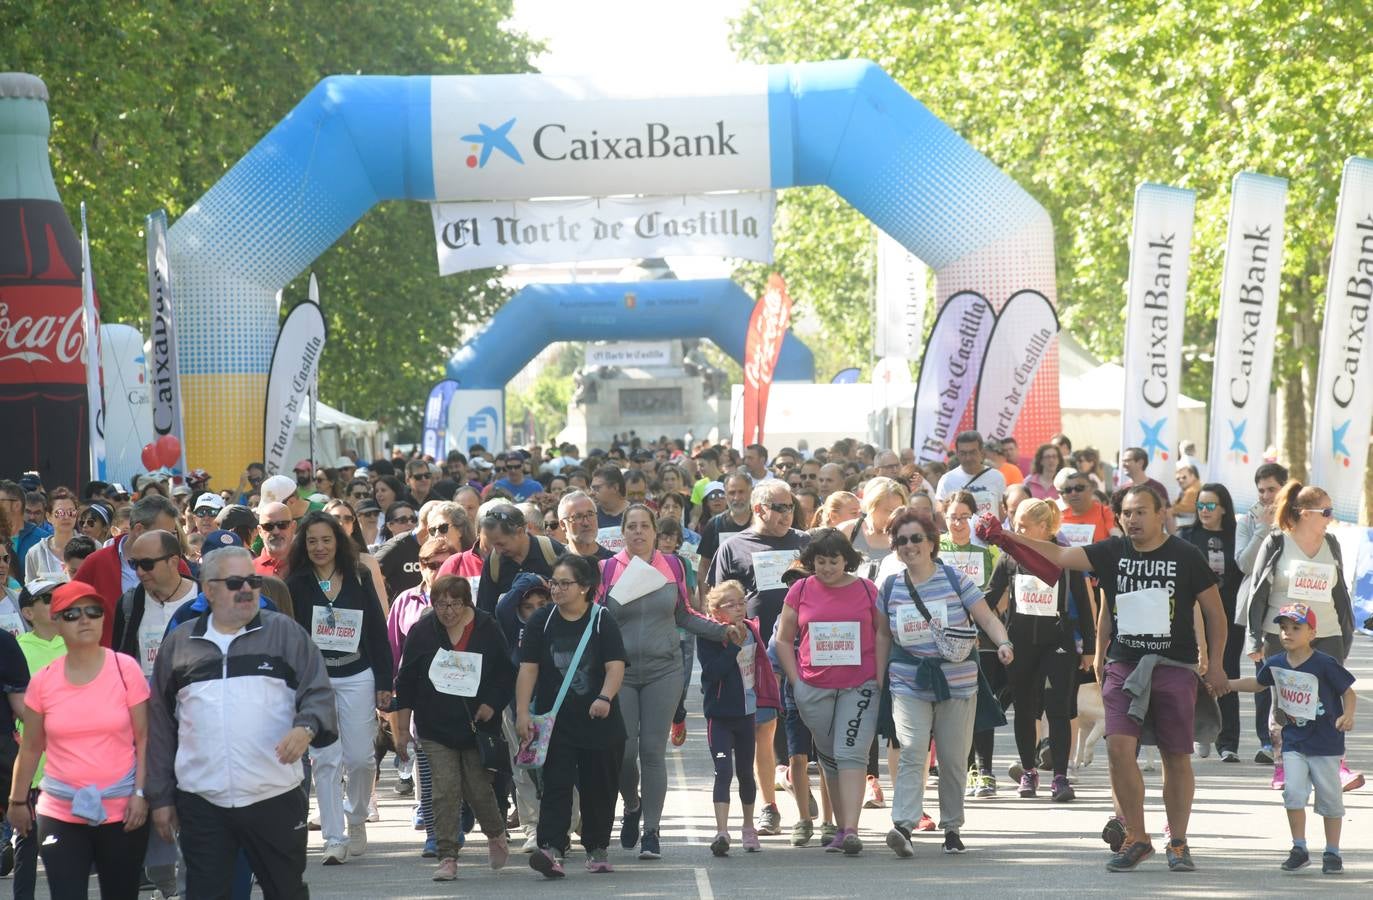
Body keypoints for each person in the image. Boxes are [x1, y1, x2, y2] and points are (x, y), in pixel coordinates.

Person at [995, 485, 1230, 872]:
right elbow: (1056, 555)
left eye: (1141, 512)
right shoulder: (1110, 552)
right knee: (1118, 748)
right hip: (1124, 664)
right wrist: (1005, 536)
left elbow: (1215, 614)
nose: (1133, 520)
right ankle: (1137, 837)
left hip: (1174, 665)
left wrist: (1216, 664)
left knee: (1176, 756)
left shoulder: (1185, 555)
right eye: (1126, 513)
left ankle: (1179, 841)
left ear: (1160, 514)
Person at [147, 545, 338, 900]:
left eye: (252, 580)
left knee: (286, 892)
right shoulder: (180, 644)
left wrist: (306, 726)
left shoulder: (285, 633)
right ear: (208, 590)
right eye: (235, 582)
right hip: (202, 801)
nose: (247, 589)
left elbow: (319, 692)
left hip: (274, 797)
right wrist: (160, 797)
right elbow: (158, 725)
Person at [598, 504, 736, 860]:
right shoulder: (607, 569)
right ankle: (631, 805)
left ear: (655, 532)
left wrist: (722, 631)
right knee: (625, 752)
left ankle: (651, 832)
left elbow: (684, 615)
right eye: (632, 526)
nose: (638, 532)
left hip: (664, 670)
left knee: (652, 753)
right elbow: (595, 622)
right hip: (621, 674)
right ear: (623, 532)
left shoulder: (674, 565)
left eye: (645, 526)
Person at [880, 508, 1013, 858]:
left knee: (954, 759)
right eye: (901, 540)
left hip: (958, 682)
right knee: (911, 750)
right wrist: (876, 677)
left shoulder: (955, 580)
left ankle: (952, 827)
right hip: (908, 681)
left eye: (916, 539)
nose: (909, 546)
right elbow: (882, 637)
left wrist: (1003, 642)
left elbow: (986, 616)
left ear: (931, 542)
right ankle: (903, 825)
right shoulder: (891, 586)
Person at [7, 581, 149, 900]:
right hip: (60, 810)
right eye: (71, 614)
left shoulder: (126, 669)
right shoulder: (43, 681)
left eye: (93, 611)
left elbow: (144, 739)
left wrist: (141, 793)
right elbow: (30, 748)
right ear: (56, 622)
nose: (84, 619)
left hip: (124, 809)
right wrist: (17, 802)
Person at [775, 528, 891, 855]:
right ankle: (841, 827)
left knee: (850, 753)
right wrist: (797, 682)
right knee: (829, 757)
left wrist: (880, 678)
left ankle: (851, 830)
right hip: (814, 688)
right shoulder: (799, 590)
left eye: (834, 561)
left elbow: (883, 634)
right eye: (821, 561)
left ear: (847, 560)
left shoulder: (868, 590)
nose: (827, 568)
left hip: (861, 686)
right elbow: (783, 640)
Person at [285, 512, 392, 865]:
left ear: (338, 542)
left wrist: (384, 682)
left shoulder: (358, 576)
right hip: (316, 680)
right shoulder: (295, 582)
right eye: (312, 540)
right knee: (325, 760)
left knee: (360, 759)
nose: (319, 547)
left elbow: (377, 630)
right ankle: (334, 837)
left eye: (326, 540)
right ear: (304, 544)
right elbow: (291, 637)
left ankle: (356, 815)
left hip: (358, 675)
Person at [706, 481, 811, 837]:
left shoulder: (805, 542)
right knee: (762, 731)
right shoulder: (734, 547)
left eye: (790, 507)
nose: (787, 514)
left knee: (806, 730)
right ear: (759, 510)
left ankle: (813, 812)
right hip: (754, 654)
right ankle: (769, 806)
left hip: (804, 650)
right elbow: (717, 601)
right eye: (779, 508)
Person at [393, 575, 514, 881]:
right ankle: (447, 855)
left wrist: (492, 704)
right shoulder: (422, 631)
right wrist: (402, 729)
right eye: (440, 604)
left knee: (477, 787)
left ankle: (495, 832)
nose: (447, 611)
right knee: (445, 790)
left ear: (466, 602)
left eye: (454, 604)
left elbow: (505, 673)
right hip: (434, 726)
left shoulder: (487, 628)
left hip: (477, 725)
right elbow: (405, 682)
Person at [1241, 480, 1358, 792]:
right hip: (1283, 633)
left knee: (1331, 701)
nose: (1331, 517)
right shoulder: (1277, 542)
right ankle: (1282, 765)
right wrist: (1254, 639)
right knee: (1285, 702)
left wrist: (1345, 635)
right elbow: (1258, 591)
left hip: (1327, 632)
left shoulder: (1331, 543)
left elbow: (1339, 591)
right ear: (1306, 514)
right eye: (1326, 511)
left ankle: (1338, 765)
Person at [516, 554, 628, 877]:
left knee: (599, 787)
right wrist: (524, 711)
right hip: (556, 722)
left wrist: (605, 696)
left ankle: (597, 847)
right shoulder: (542, 621)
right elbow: (528, 669)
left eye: (565, 584)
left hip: (599, 720)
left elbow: (615, 665)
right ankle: (551, 849)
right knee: (555, 785)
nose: (557, 589)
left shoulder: (601, 619)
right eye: (554, 583)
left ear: (585, 588)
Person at [1228, 604, 1357, 875]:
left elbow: (1348, 692)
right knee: (1293, 794)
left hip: (1326, 743)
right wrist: (1227, 684)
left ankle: (1332, 851)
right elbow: (1259, 683)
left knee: (1330, 800)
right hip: (1294, 742)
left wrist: (1348, 715)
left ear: (1312, 632)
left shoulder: (1324, 664)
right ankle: (1299, 848)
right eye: (1283, 628)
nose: (1287, 633)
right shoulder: (1275, 663)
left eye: (1296, 628)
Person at [986, 500, 1092, 802]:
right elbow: (991, 595)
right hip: (1020, 641)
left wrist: (1089, 646)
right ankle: (1029, 771)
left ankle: (1060, 776)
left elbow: (1083, 604)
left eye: (1023, 526)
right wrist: (971, 617)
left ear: (1044, 528)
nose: (1017, 530)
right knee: (1025, 708)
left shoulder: (1063, 556)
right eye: (1015, 524)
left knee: (1058, 708)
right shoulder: (1009, 555)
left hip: (1057, 641)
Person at [697, 578, 776, 856]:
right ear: (716, 610)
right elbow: (711, 674)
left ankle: (748, 827)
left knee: (745, 773)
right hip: (719, 716)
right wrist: (732, 647)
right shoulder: (709, 636)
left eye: (742, 602)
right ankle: (721, 831)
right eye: (731, 604)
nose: (739, 608)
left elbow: (760, 665)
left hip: (746, 714)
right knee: (723, 772)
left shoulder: (752, 631)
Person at [930, 491, 1002, 797]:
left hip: (981, 638)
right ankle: (964, 767)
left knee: (983, 702)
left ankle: (985, 770)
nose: (958, 523)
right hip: (944, 639)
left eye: (964, 517)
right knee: (954, 708)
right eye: (952, 517)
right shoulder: (935, 551)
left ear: (974, 517)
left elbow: (1000, 594)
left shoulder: (989, 551)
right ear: (943, 519)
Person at [1179, 483, 1245, 761]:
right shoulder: (1187, 535)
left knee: (1226, 673)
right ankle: (1199, 733)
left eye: (1210, 506)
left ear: (1223, 509)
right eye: (1200, 506)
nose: (1204, 511)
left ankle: (1228, 742)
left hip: (1229, 615)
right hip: (1193, 614)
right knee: (1194, 674)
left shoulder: (1236, 536)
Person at [11, 579, 66, 898]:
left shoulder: (76, 644)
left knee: (66, 852)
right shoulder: (19, 648)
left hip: (72, 766)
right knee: (27, 846)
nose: (56, 603)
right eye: (48, 599)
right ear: (28, 612)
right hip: (34, 765)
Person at [73, 495, 184, 646]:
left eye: (172, 534)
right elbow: (71, 608)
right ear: (139, 529)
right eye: (163, 534)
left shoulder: (175, 563)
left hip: (164, 660)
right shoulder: (96, 562)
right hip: (110, 662)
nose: (170, 541)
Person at [1235, 461, 1288, 763]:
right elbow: (1244, 564)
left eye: (1272, 489)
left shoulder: (1296, 519)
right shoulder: (1248, 521)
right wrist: (1263, 529)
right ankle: (1267, 741)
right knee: (1264, 676)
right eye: (1262, 491)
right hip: (1259, 610)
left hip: (1290, 609)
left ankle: (1292, 736)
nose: (1267, 496)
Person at [111, 529, 198, 676]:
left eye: (146, 564)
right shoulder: (130, 604)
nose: (139, 572)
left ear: (173, 562)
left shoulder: (204, 599)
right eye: (134, 564)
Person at [474, 504, 566, 615]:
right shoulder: (494, 563)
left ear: (520, 531)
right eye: (494, 545)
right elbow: (486, 612)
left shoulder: (551, 551)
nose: (497, 551)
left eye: (501, 544)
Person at [836, 476, 907, 581]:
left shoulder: (907, 536)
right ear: (871, 506)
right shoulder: (847, 531)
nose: (894, 516)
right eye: (889, 510)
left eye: (898, 511)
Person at [934, 431, 1007, 522]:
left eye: (972, 452)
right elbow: (940, 515)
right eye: (963, 453)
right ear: (957, 454)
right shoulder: (947, 480)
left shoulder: (997, 477)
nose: (968, 458)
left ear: (982, 453)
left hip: (990, 535)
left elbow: (1002, 513)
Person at [696, 474, 753, 582]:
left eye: (741, 492)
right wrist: (704, 597)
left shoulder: (762, 523)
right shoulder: (714, 524)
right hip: (723, 593)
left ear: (750, 493)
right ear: (726, 495)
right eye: (732, 493)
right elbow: (704, 566)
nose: (737, 497)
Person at [22, 487, 77, 582]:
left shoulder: (93, 547)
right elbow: (30, 592)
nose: (66, 517)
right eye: (60, 513)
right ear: (48, 516)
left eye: (71, 512)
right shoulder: (35, 553)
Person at [558, 490, 613, 561]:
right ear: (563, 525)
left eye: (590, 514)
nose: (586, 523)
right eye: (578, 517)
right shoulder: (555, 565)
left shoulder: (614, 563)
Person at [253, 501, 296, 578]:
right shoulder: (249, 571)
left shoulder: (309, 565)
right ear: (260, 531)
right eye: (268, 526)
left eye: (282, 525)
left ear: (293, 527)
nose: (276, 532)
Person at [591, 465, 629, 531]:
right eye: (592, 488)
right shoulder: (591, 515)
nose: (591, 493)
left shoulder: (636, 513)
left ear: (615, 487)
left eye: (597, 488)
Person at [1173, 464, 1201, 529]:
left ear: (1193, 476)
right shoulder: (1189, 489)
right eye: (1178, 478)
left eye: (1184, 477)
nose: (1180, 480)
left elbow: (1181, 509)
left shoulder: (1192, 491)